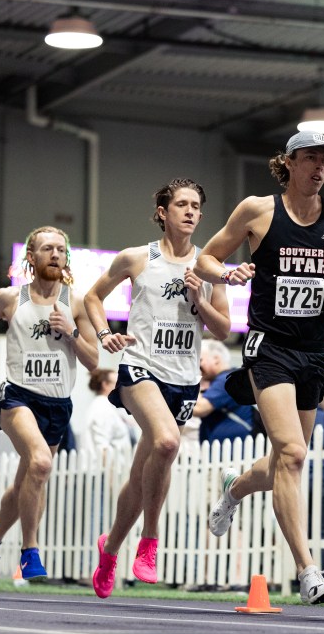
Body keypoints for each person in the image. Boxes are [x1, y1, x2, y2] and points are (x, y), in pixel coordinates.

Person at [196, 131, 324, 605]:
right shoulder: (258, 210)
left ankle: (234, 487)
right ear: (288, 163)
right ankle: (308, 572)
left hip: (315, 350)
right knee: (291, 452)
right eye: (310, 159)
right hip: (269, 348)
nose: (320, 169)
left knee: (289, 457)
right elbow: (207, 256)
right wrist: (226, 272)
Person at [86, 178, 231, 598]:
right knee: (168, 443)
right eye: (181, 204)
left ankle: (110, 548)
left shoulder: (209, 266)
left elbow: (222, 328)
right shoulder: (135, 257)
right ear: (163, 213)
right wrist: (104, 335)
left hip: (182, 380)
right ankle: (150, 542)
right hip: (140, 367)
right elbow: (93, 298)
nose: (190, 211)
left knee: (141, 473)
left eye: (196, 206)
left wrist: (200, 297)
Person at [0, 226, 99, 582]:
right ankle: (31, 551)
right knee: (41, 465)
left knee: (26, 481)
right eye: (47, 249)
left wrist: (72, 332)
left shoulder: (76, 301)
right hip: (18, 397)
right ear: (32, 257)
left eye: (61, 249)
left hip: (58, 404)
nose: (55, 254)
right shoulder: (11, 298)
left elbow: (93, 361)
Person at [194, 339, 257, 446]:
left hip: (231, 453)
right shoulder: (229, 378)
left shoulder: (225, 380)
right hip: (227, 452)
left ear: (216, 359)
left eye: (200, 360)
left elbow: (198, 409)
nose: (197, 366)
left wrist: (193, 379)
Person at [84, 369, 134, 464]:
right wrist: (110, 477)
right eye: (118, 384)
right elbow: (102, 448)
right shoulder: (102, 408)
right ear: (105, 385)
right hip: (105, 473)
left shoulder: (107, 407)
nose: (122, 387)